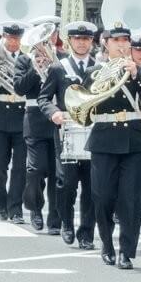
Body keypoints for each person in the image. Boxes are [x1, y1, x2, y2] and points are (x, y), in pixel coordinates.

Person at [86, 26, 141, 268]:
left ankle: (127, 250)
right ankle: (106, 243)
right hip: (104, 139)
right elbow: (85, 107)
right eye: (116, 40)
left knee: (131, 200)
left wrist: (135, 75)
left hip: (134, 141)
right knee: (102, 196)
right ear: (106, 43)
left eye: (126, 40)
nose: (122, 44)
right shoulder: (94, 71)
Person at [39, 23, 98, 247]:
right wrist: (53, 113)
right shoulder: (59, 68)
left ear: (92, 41)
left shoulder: (100, 67)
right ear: (69, 41)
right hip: (67, 132)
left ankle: (86, 234)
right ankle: (66, 223)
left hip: (94, 131)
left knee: (92, 186)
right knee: (66, 183)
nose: (82, 42)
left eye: (86, 39)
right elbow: (44, 98)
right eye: (77, 38)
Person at [14, 22, 62, 233]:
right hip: (34, 120)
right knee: (36, 169)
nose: (45, 43)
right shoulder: (25, 60)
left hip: (58, 118)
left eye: (48, 38)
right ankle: (34, 208)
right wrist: (35, 69)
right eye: (41, 40)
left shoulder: (62, 60)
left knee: (56, 173)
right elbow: (19, 88)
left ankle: (54, 219)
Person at [0, 22, 29, 222]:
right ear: (3, 37)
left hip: (21, 115)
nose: (13, 42)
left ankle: (15, 208)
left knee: (20, 168)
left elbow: (29, 88)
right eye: (9, 38)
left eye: (16, 38)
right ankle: (0, 205)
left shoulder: (27, 60)